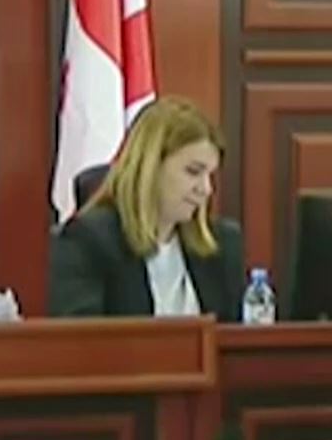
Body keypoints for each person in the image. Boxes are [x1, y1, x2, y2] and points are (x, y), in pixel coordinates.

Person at [49, 97, 246, 321]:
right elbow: (80, 337)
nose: (206, 189)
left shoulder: (221, 243)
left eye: (210, 175)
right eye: (193, 172)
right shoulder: (88, 240)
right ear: (150, 168)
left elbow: (234, 335)